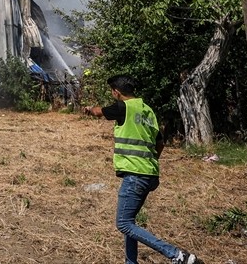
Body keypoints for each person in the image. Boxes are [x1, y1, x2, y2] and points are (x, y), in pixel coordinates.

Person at [84, 75, 202, 264]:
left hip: (134, 175)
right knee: (130, 221)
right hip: (149, 174)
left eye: (112, 92)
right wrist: (149, 161)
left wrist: (89, 109)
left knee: (123, 223)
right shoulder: (147, 110)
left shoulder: (124, 107)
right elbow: (160, 142)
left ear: (116, 92)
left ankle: (176, 255)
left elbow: (100, 112)